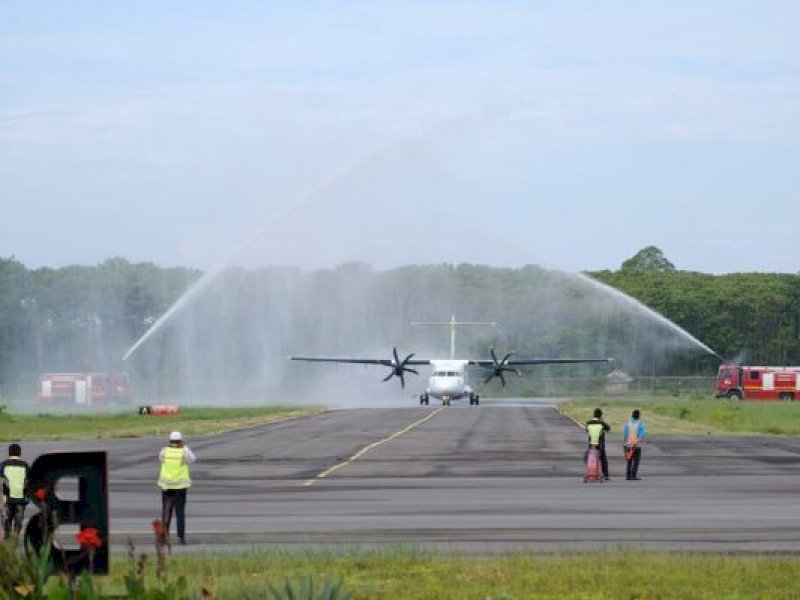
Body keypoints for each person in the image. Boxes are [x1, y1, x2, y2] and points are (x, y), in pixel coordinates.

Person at [158, 431, 196, 545]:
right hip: (180, 487)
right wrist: (184, 446)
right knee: (180, 513)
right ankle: (181, 538)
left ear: (169, 440)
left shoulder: (164, 451)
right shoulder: (185, 451)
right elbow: (193, 459)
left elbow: (160, 460)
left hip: (167, 486)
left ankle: (164, 537)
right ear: (181, 440)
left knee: (166, 512)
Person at [1, 443, 30, 539]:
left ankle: (7, 540)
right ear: (20, 453)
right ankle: (15, 540)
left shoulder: (4, 465)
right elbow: (29, 481)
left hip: (8, 499)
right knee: (18, 523)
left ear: (9, 453)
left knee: (7, 521)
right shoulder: (25, 465)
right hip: (21, 499)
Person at [586, 408, 611, 480]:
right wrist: (602, 421)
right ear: (600, 415)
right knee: (603, 460)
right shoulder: (602, 423)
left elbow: (587, 430)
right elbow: (608, 428)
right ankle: (605, 475)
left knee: (592, 460)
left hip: (591, 445)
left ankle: (593, 474)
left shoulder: (588, 423)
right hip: (600, 445)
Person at [623, 409, 646, 480]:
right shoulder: (640, 424)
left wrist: (626, 443)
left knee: (629, 460)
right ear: (639, 416)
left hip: (628, 444)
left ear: (632, 415)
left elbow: (625, 434)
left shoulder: (628, 423)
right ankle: (633, 475)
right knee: (636, 461)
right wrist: (637, 442)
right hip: (636, 445)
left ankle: (628, 475)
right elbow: (641, 435)